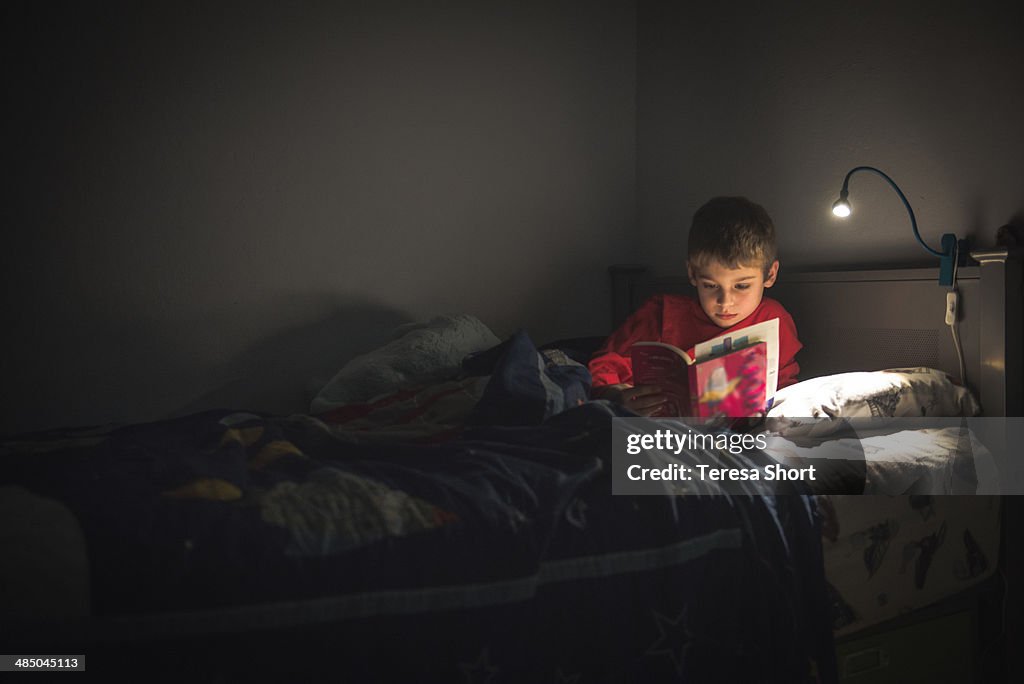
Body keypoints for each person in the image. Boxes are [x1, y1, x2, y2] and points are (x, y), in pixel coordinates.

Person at [589, 196, 802, 416]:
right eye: (710, 285)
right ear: (692, 274)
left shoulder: (773, 319)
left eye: (741, 286)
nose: (725, 302)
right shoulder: (662, 313)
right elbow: (604, 367)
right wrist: (614, 396)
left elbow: (786, 386)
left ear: (770, 274)